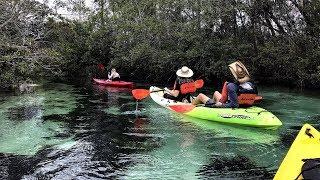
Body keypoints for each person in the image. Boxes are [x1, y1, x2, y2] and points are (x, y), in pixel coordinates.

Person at [192, 61, 256, 108]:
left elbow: (234, 105)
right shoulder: (251, 85)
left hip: (229, 106)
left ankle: (189, 106)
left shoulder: (231, 86)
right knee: (216, 92)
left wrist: (221, 105)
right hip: (244, 105)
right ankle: (211, 103)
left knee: (200, 95)